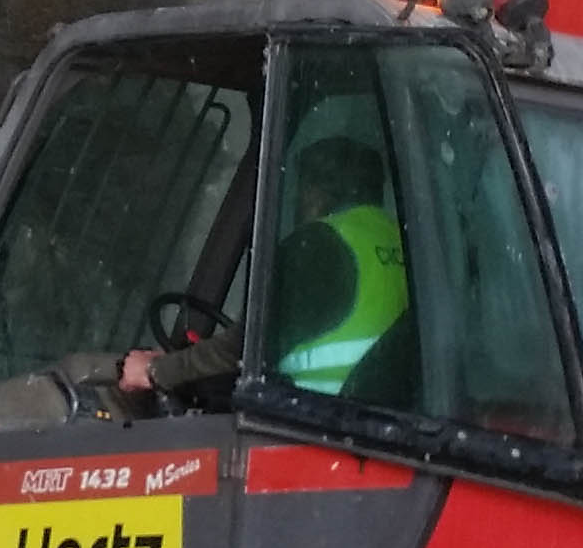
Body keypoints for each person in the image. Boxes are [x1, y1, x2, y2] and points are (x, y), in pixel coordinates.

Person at [121, 119, 402, 412]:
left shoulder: (321, 244)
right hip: (366, 416)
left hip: (306, 418)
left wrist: (157, 371)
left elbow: (246, 347)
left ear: (315, 193)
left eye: (301, 188)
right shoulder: (398, 240)